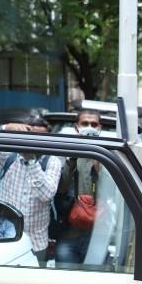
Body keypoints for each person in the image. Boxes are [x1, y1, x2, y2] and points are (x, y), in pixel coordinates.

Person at [0, 119, 62, 265]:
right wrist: (5, 127)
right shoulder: (9, 156)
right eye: (31, 135)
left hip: (35, 243)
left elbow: (46, 195)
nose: (35, 141)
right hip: (2, 236)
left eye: (41, 137)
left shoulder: (53, 161)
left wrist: (31, 162)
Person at [54, 110, 103, 265]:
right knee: (66, 278)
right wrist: (72, 157)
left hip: (97, 235)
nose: (90, 128)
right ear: (76, 128)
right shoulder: (64, 152)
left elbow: (111, 191)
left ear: (99, 128)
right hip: (68, 234)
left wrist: (99, 160)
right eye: (85, 124)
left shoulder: (107, 154)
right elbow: (60, 187)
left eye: (94, 124)